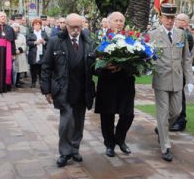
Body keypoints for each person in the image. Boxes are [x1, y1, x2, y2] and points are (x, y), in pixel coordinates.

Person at [40, 13, 96, 167]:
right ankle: (65, 152)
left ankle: (75, 148)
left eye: (78, 26)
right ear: (66, 26)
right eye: (72, 27)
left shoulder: (89, 41)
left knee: (79, 122)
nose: (75, 30)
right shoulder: (55, 41)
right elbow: (46, 66)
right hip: (64, 89)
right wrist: (46, 90)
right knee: (66, 122)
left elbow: (95, 65)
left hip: (83, 89)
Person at [149, 4, 193, 162]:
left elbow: (186, 58)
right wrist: (148, 67)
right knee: (163, 112)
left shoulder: (181, 34)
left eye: (172, 18)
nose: (169, 20)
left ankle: (161, 129)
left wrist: (189, 81)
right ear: (161, 18)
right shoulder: (153, 34)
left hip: (177, 80)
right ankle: (165, 146)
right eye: (166, 17)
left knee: (176, 111)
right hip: (161, 79)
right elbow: (147, 54)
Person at [95, 12, 135, 158]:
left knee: (128, 114)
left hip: (125, 83)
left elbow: (138, 62)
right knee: (107, 115)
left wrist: (123, 66)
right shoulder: (100, 39)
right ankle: (109, 144)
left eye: (121, 21)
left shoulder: (131, 39)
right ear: (109, 22)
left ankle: (120, 138)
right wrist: (105, 66)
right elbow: (93, 63)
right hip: (107, 83)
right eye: (116, 20)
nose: (119, 23)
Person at [170, 13, 194, 132]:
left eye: (179, 20)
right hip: (172, 71)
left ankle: (181, 121)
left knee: (179, 97)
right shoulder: (176, 33)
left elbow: (184, 55)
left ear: (185, 22)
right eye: (176, 19)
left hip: (180, 71)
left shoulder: (186, 35)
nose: (175, 21)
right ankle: (173, 119)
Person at [26, 18, 49, 88]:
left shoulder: (44, 33)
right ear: (33, 25)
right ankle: (33, 82)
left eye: (38, 24)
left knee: (41, 69)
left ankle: (42, 83)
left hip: (42, 54)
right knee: (33, 69)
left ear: (41, 25)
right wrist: (35, 42)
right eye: (35, 25)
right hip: (33, 54)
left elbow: (48, 42)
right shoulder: (30, 33)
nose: (37, 26)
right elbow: (28, 42)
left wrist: (44, 42)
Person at [12, 23, 28, 88]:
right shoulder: (10, 35)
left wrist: (19, 50)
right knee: (12, 69)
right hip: (12, 54)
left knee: (19, 69)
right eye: (14, 27)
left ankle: (17, 81)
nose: (16, 28)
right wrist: (13, 50)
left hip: (20, 54)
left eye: (17, 27)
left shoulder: (22, 36)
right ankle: (12, 82)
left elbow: (24, 44)